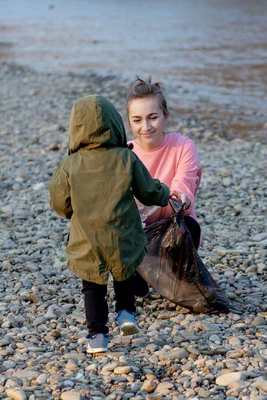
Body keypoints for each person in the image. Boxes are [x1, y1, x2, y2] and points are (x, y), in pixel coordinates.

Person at [49, 95, 175, 354]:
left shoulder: (69, 165)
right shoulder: (126, 158)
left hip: (88, 239)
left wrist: (76, 210)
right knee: (125, 272)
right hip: (123, 233)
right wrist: (165, 192)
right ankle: (126, 314)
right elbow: (148, 191)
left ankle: (97, 336)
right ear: (115, 125)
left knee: (92, 286)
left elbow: (60, 204)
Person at [125, 77, 203, 297]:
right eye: (137, 120)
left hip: (172, 230)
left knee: (190, 226)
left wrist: (182, 197)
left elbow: (183, 191)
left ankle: (176, 275)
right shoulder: (125, 153)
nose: (146, 127)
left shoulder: (183, 146)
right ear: (130, 123)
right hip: (137, 235)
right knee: (136, 293)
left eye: (153, 117)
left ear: (165, 117)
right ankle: (138, 273)